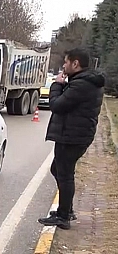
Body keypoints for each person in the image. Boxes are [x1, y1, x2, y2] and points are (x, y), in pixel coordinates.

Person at [38, 48, 106, 230]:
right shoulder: (84, 81)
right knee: (58, 170)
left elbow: (57, 105)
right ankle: (66, 210)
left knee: (65, 175)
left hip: (72, 137)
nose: (63, 65)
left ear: (75, 64)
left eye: (66, 62)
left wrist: (57, 85)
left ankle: (63, 216)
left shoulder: (81, 85)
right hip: (75, 135)